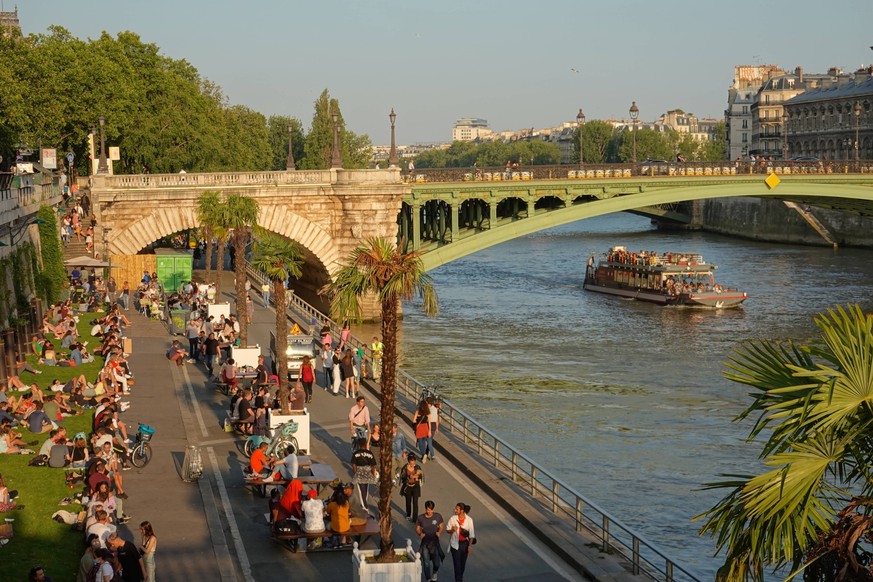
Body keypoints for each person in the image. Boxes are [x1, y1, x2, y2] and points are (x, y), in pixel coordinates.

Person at [416, 500, 445, 582]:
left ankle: (435, 572)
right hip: (425, 543)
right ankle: (428, 579)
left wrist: (439, 532)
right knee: (426, 563)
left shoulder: (437, 516)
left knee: (436, 563)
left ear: (433, 509)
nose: (429, 511)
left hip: (435, 543)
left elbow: (441, 526)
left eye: (431, 510)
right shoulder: (421, 518)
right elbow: (417, 528)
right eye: (428, 510)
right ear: (425, 509)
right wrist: (420, 533)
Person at [446, 502, 475, 582]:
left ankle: (460, 577)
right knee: (457, 565)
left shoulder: (469, 520)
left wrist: (469, 546)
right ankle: (458, 580)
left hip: (464, 544)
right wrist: (452, 530)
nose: (455, 510)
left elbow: (472, 535)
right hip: (455, 545)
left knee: (462, 564)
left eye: (457, 509)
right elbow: (447, 530)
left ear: (462, 511)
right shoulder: (453, 519)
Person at [350, 437, 377, 512]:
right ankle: (365, 504)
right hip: (367, 473)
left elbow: (354, 465)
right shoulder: (370, 453)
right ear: (365, 444)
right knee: (366, 488)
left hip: (359, 472)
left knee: (361, 490)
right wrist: (374, 475)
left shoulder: (356, 454)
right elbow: (373, 465)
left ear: (358, 445)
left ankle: (364, 505)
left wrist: (356, 473)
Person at [401, 453, 423, 522]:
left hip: (415, 486)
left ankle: (415, 518)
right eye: (411, 463)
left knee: (415, 502)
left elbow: (421, 476)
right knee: (408, 501)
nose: (412, 465)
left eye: (413, 463)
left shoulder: (418, 467)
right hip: (408, 487)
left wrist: (417, 477)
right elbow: (402, 477)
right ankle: (408, 514)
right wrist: (408, 477)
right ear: (408, 462)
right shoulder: (404, 468)